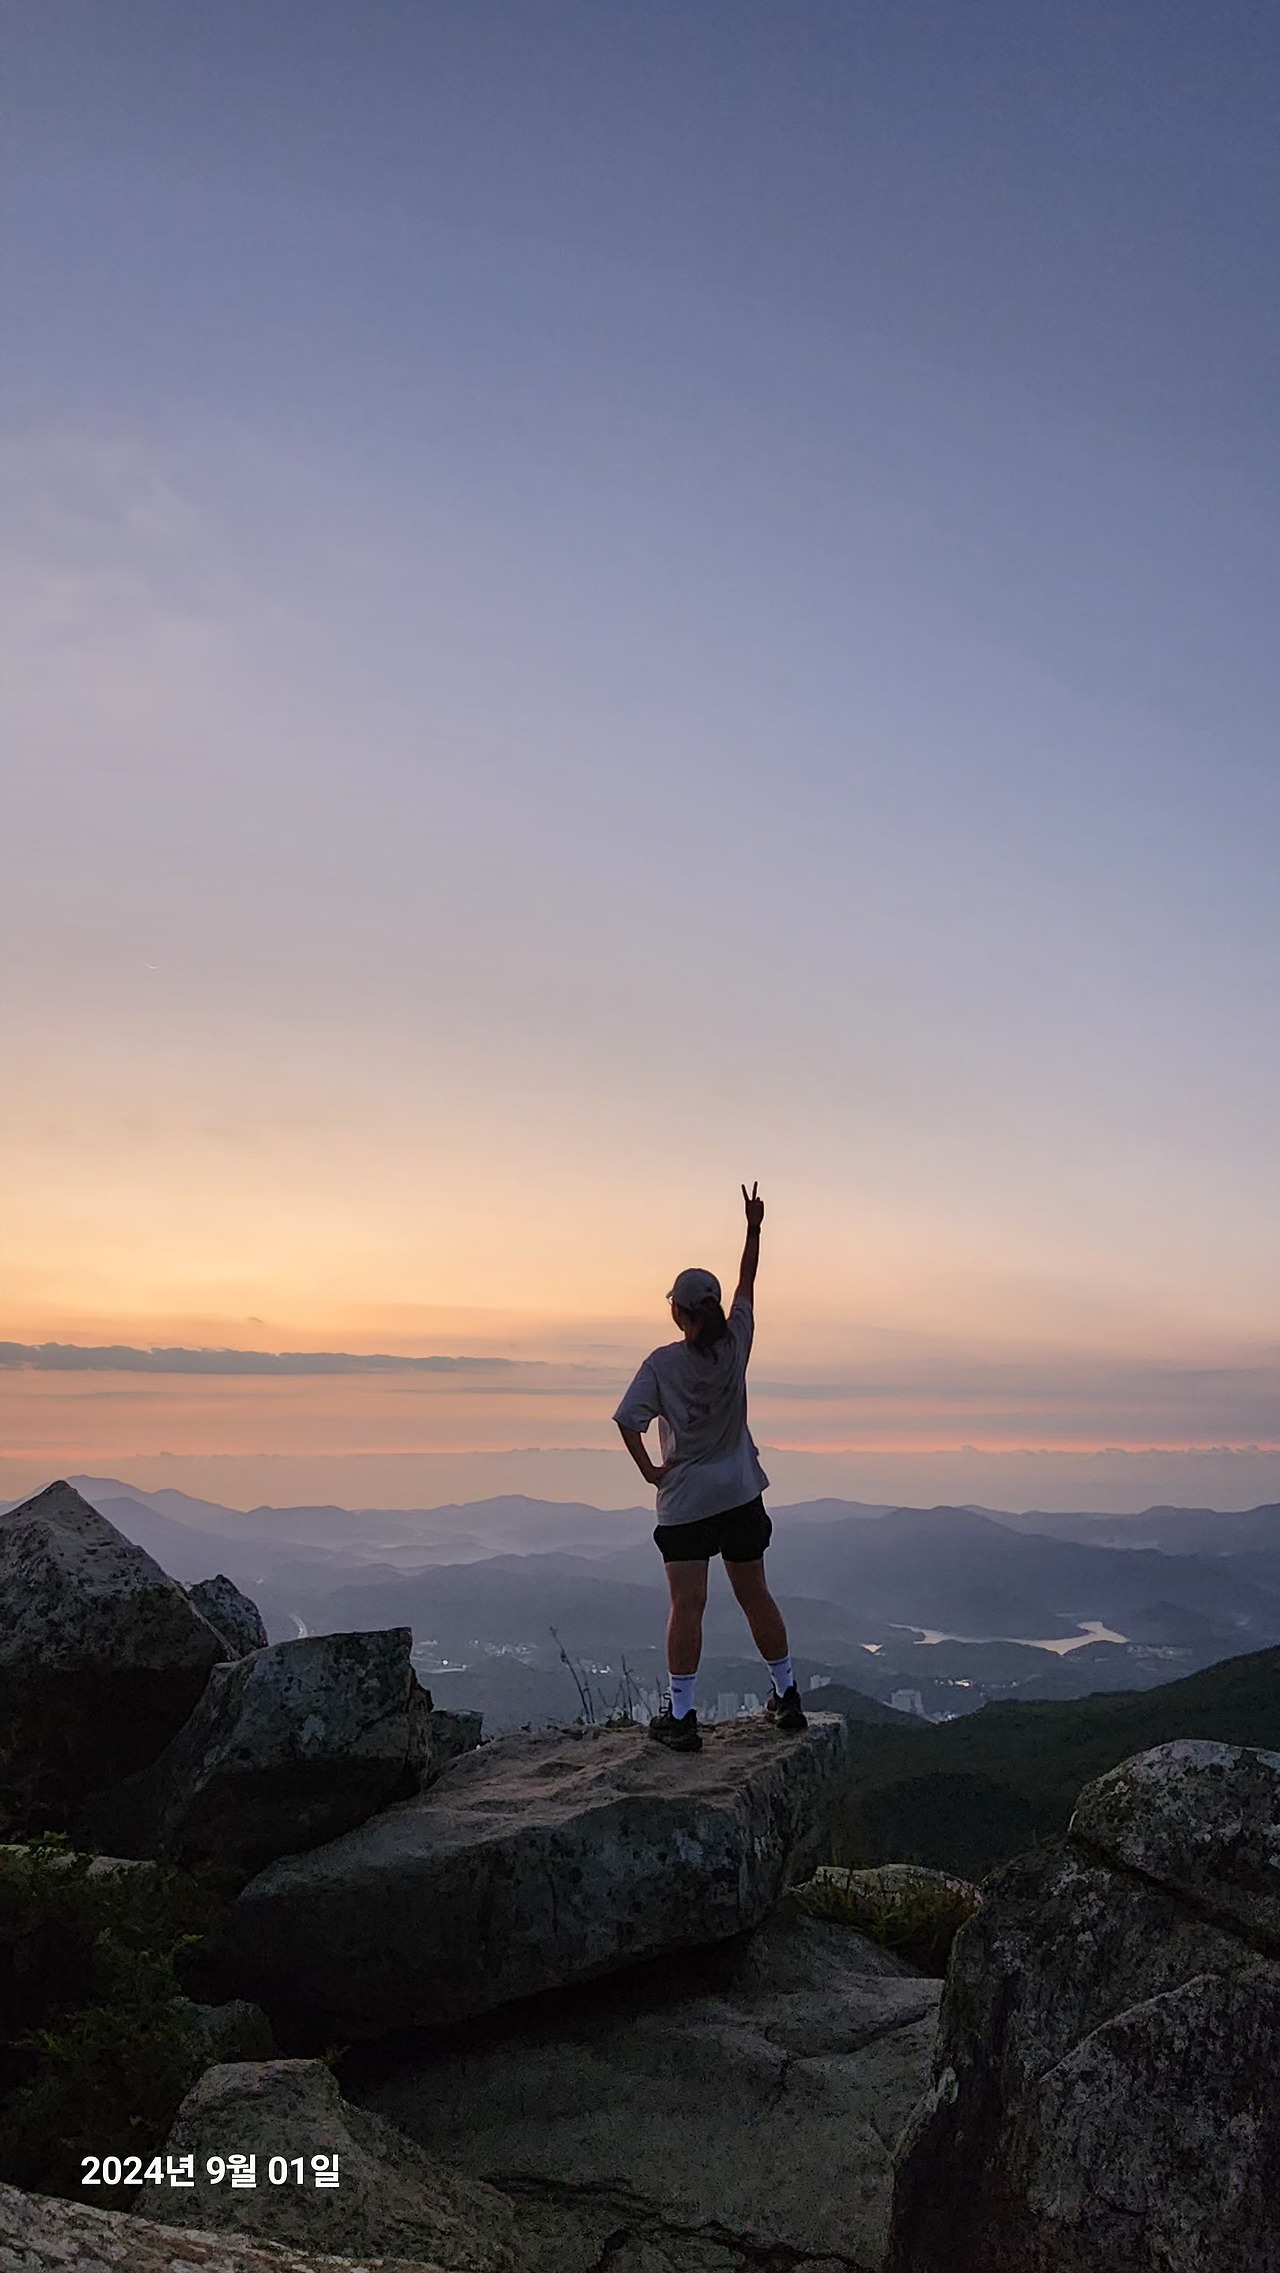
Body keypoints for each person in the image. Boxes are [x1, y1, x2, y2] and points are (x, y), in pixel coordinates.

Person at [613, 1182, 807, 1752]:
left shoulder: (661, 1364)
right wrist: (753, 1229)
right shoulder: (737, 1341)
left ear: (677, 1312)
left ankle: (682, 1716)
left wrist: (650, 1470)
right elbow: (747, 1283)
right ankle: (787, 1694)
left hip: (686, 1502)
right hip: (741, 1492)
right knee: (756, 1595)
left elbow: (628, 1420)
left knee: (686, 1606)